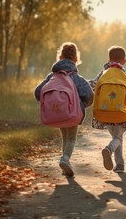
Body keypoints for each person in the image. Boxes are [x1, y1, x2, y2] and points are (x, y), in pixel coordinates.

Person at [34, 42, 94, 177]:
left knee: (65, 137)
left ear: (60, 57)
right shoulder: (75, 77)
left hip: (56, 114)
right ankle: (65, 159)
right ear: (76, 59)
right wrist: (81, 106)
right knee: (71, 138)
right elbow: (89, 95)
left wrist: (49, 104)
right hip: (72, 114)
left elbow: (38, 92)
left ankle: (64, 165)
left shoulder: (52, 77)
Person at [89, 45, 126, 173]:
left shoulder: (103, 73)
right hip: (121, 113)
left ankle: (120, 164)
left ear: (109, 59)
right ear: (124, 61)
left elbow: (92, 86)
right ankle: (109, 149)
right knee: (118, 138)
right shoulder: (125, 75)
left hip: (105, 112)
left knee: (117, 137)